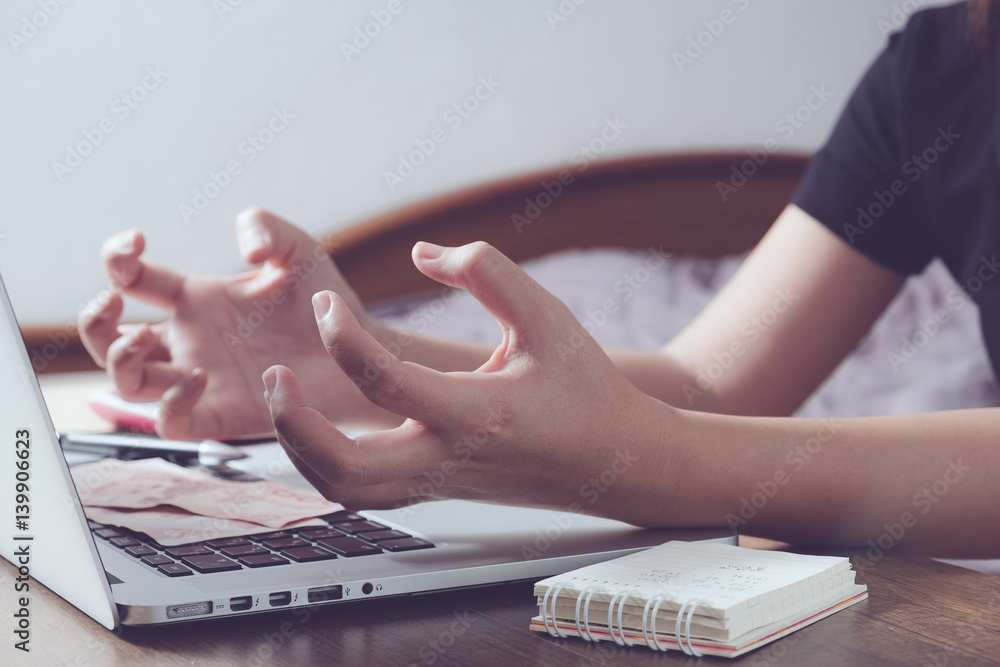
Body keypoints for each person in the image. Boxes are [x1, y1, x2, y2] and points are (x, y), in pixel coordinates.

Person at [78, 2, 999, 557]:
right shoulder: (936, 72)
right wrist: (356, 358)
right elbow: (713, 383)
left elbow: (677, 425)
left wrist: (647, 467)